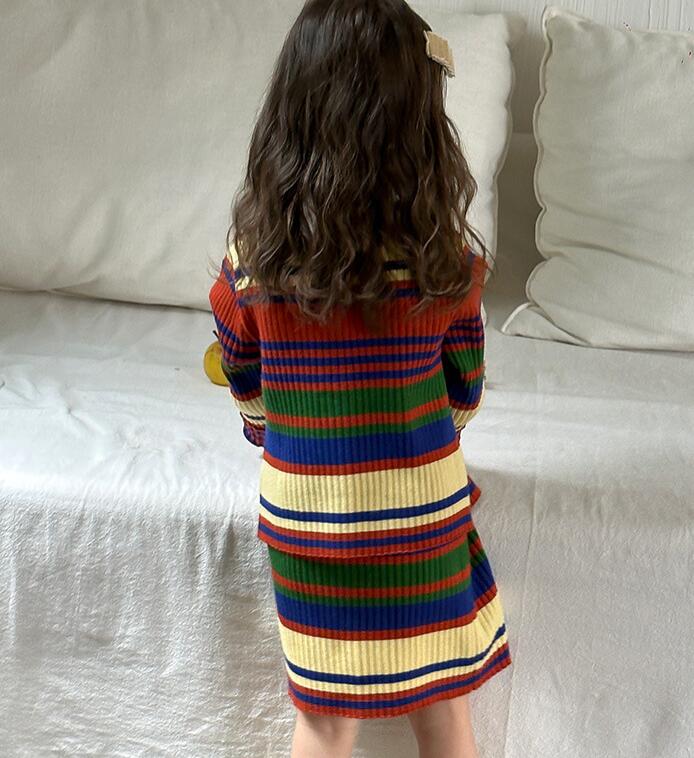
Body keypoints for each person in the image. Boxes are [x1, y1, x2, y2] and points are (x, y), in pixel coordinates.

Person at [208, 1, 512, 755]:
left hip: (307, 527)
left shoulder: (254, 263)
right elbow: (463, 394)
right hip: (420, 520)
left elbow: (247, 383)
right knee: (444, 706)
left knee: (323, 718)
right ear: (422, 127)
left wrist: (274, 431)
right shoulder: (447, 264)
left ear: (292, 113)